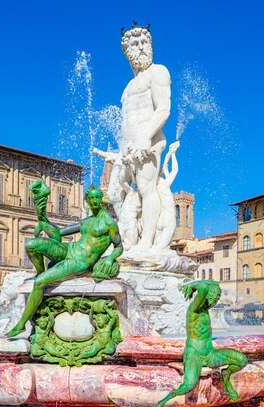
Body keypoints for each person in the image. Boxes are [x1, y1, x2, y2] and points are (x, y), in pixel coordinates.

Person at [6, 185, 123, 337]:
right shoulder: (86, 221)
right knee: (32, 245)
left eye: (97, 197)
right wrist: (43, 218)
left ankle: (21, 324)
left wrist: (110, 259)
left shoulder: (109, 223)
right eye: (91, 198)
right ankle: (41, 272)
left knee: (40, 282)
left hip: (81, 261)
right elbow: (59, 233)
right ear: (87, 200)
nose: (94, 201)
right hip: (69, 249)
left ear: (101, 199)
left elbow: (119, 247)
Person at [151, 281, 248, 407]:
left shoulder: (205, 311)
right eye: (213, 298)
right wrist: (191, 286)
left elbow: (205, 287)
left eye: (217, 299)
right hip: (194, 353)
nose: (215, 301)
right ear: (205, 296)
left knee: (242, 360)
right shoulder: (194, 309)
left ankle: (226, 376)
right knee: (189, 385)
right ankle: (162, 403)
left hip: (210, 354)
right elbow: (202, 287)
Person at [120, 23, 171, 250]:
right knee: (121, 195)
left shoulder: (158, 72)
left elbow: (163, 109)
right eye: (135, 44)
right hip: (128, 150)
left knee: (146, 189)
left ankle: (147, 243)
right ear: (127, 51)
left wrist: (144, 137)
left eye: (144, 43)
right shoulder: (128, 87)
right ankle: (129, 241)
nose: (140, 48)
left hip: (147, 144)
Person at [153, 141, 180, 250]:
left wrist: (168, 155)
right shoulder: (164, 185)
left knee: (155, 247)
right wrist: (172, 154)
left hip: (159, 220)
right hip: (168, 219)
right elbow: (174, 170)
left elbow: (164, 169)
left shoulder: (154, 186)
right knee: (160, 250)